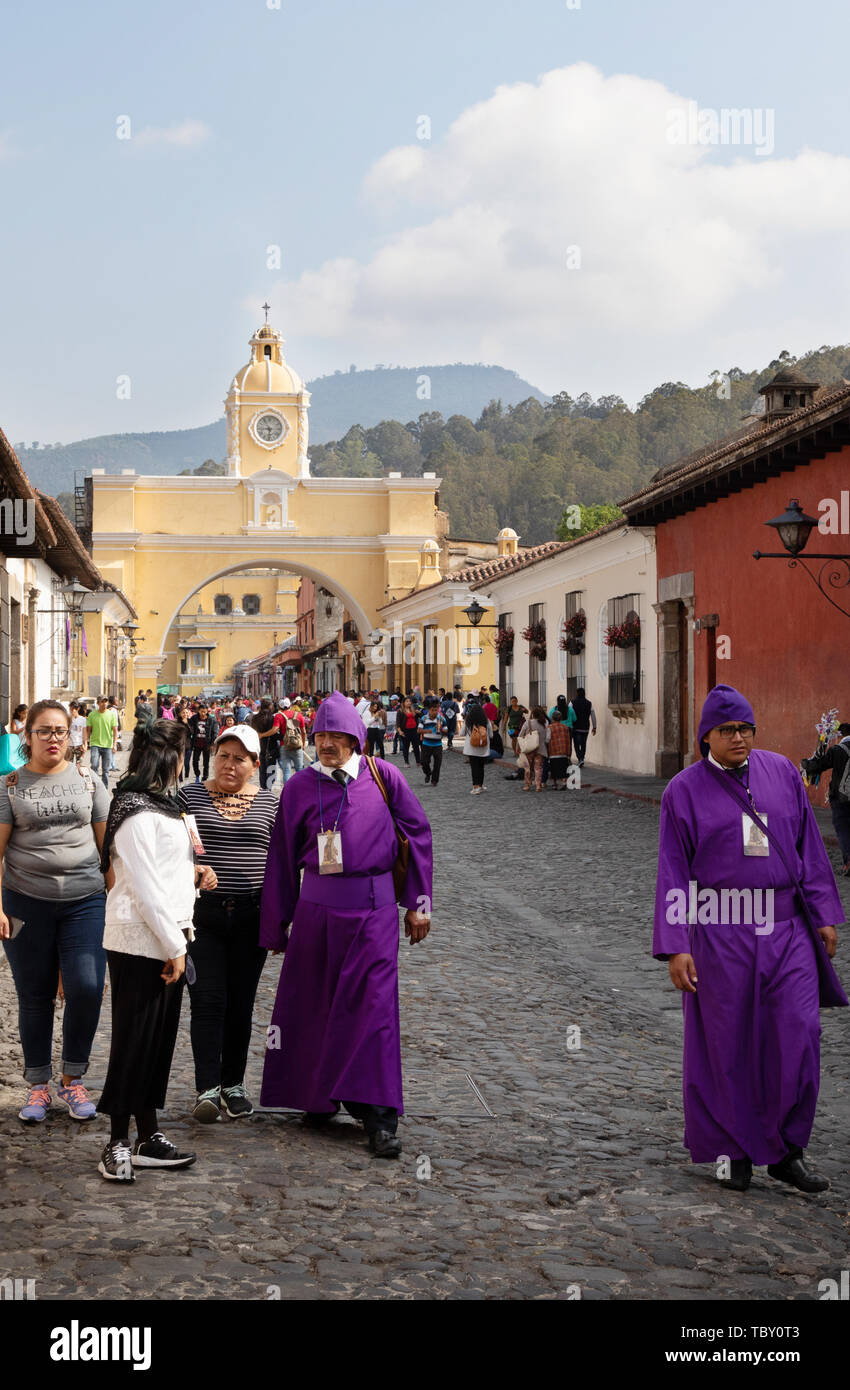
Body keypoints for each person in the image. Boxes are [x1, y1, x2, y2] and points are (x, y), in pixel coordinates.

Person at [652, 684, 847, 1195]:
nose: (739, 738)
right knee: (726, 1042)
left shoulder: (781, 771)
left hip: (788, 930)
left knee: (798, 1034)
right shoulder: (683, 791)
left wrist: (823, 912)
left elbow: (807, 843)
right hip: (721, 931)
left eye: (745, 728)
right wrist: (677, 945)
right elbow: (673, 872)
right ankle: (731, 1151)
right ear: (706, 737)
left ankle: (786, 1149)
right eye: (727, 730)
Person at [259, 692, 433, 1157]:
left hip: (373, 915)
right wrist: (277, 924)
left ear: (356, 738)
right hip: (316, 916)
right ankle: (319, 1096)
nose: (328, 744)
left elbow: (417, 833)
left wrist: (418, 904)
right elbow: (280, 857)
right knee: (314, 1006)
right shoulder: (298, 787)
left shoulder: (384, 777)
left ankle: (379, 1116)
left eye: (338, 736)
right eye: (321, 736)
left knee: (373, 1010)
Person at [96, 715, 216, 1182]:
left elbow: (168, 872)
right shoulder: (131, 809)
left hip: (171, 936)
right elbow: (144, 887)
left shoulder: (167, 806)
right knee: (132, 1042)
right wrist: (174, 945)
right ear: (169, 757)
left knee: (157, 1044)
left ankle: (147, 1134)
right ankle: (117, 1141)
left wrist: (196, 875)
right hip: (139, 940)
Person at [0, 700, 109, 1123]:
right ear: (27, 737)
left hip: (85, 901)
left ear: (71, 734)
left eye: (59, 731)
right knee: (35, 995)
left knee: (86, 986)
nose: (53, 738)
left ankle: (73, 1078)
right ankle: (38, 1086)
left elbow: (107, 848)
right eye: (43, 731)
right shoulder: (10, 786)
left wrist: (114, 901)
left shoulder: (88, 779)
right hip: (26, 902)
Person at [179, 724, 276, 1121]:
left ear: (255, 765)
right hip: (203, 915)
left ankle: (234, 1084)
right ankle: (207, 1088)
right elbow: (170, 853)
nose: (229, 765)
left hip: (252, 914)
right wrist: (193, 869)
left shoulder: (272, 804)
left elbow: (282, 863)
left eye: (239, 759)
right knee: (207, 999)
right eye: (223, 756)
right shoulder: (188, 796)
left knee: (240, 1003)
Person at [802, 722, 850, 876]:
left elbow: (817, 766)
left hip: (842, 798)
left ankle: (848, 863)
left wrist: (806, 764)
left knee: (843, 830)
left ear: (841, 735)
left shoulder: (838, 750)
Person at [85, 693, 119, 789]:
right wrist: (85, 742)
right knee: (94, 766)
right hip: (95, 744)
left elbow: (115, 730)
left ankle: (104, 787)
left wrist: (115, 744)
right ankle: (95, 785)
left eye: (105, 701)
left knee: (106, 770)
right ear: (98, 703)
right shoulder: (92, 715)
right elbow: (88, 730)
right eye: (102, 701)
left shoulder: (111, 715)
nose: (104, 703)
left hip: (107, 745)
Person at [518, 706, 549, 792]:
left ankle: (527, 785)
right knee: (538, 768)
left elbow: (520, 735)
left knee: (527, 768)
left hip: (529, 749)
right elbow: (546, 737)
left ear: (532, 714)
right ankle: (538, 786)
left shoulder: (528, 723)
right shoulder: (544, 724)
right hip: (540, 749)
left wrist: (518, 747)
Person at [463, 702, 492, 794]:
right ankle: (480, 785)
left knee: (474, 767)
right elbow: (491, 735)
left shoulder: (468, 721)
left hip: (471, 748)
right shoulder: (486, 721)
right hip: (483, 748)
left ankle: (475, 787)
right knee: (481, 767)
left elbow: (461, 733)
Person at [276, 699, 307, 785]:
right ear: (290, 705)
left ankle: (287, 791)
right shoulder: (298, 715)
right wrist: (303, 744)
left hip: (284, 745)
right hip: (297, 745)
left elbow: (275, 729)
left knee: (286, 771)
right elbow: (303, 731)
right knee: (299, 770)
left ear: (279, 707)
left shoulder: (279, 716)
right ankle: (301, 790)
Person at [251, 698, 278, 790]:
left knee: (262, 769)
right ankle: (268, 789)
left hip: (259, 745)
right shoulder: (272, 718)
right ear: (270, 706)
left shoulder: (255, 717)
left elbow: (253, 731)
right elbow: (275, 731)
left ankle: (263, 789)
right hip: (271, 745)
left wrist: (260, 735)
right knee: (271, 769)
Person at [418, 698, 446, 786]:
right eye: (432, 710)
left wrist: (441, 729)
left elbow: (446, 730)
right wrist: (427, 731)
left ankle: (434, 780)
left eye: (436, 710)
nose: (434, 712)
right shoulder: (424, 718)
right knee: (424, 762)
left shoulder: (441, 718)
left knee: (437, 764)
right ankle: (428, 773)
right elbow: (419, 730)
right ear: (428, 710)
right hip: (426, 744)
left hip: (437, 744)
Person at [190, 703, 219, 783]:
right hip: (196, 743)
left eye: (204, 712)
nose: (203, 713)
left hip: (207, 744)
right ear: (198, 711)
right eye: (201, 711)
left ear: (207, 711)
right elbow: (190, 726)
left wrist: (213, 743)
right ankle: (197, 774)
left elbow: (215, 731)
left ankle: (205, 777)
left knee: (206, 762)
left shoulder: (211, 719)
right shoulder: (194, 718)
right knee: (195, 760)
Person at [568, 688, 597, 767]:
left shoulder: (572, 703)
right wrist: (594, 727)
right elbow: (593, 715)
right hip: (585, 727)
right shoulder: (589, 703)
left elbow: (569, 713)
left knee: (576, 744)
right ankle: (582, 758)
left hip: (576, 727)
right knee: (584, 744)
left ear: (576, 694)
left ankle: (580, 758)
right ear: (584, 694)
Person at [547, 710, 572, 788]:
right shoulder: (565, 727)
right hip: (563, 752)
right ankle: (564, 783)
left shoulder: (549, 727)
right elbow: (568, 740)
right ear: (560, 718)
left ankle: (555, 784)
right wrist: (569, 753)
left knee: (554, 769)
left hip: (553, 752)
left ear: (552, 718)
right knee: (563, 768)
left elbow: (547, 739)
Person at [398, 697, 421, 767]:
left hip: (414, 730)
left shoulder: (413, 710)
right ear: (403, 703)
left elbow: (419, 717)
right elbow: (398, 723)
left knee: (416, 747)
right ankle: (406, 762)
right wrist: (400, 731)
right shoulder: (400, 711)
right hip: (405, 731)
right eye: (407, 701)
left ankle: (418, 762)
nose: (409, 703)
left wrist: (419, 713)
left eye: (409, 701)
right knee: (406, 747)